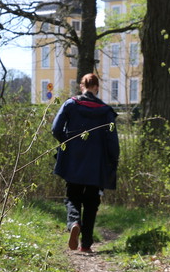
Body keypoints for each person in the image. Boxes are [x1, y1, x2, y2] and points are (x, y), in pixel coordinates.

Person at [51, 73, 120, 253]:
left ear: (82, 86)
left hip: (73, 161)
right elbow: (113, 141)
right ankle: (86, 245)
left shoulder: (71, 104)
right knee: (91, 202)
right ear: (96, 87)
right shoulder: (106, 111)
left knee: (73, 196)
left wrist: (68, 144)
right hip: (96, 164)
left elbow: (55, 129)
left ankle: (74, 222)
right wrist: (113, 160)